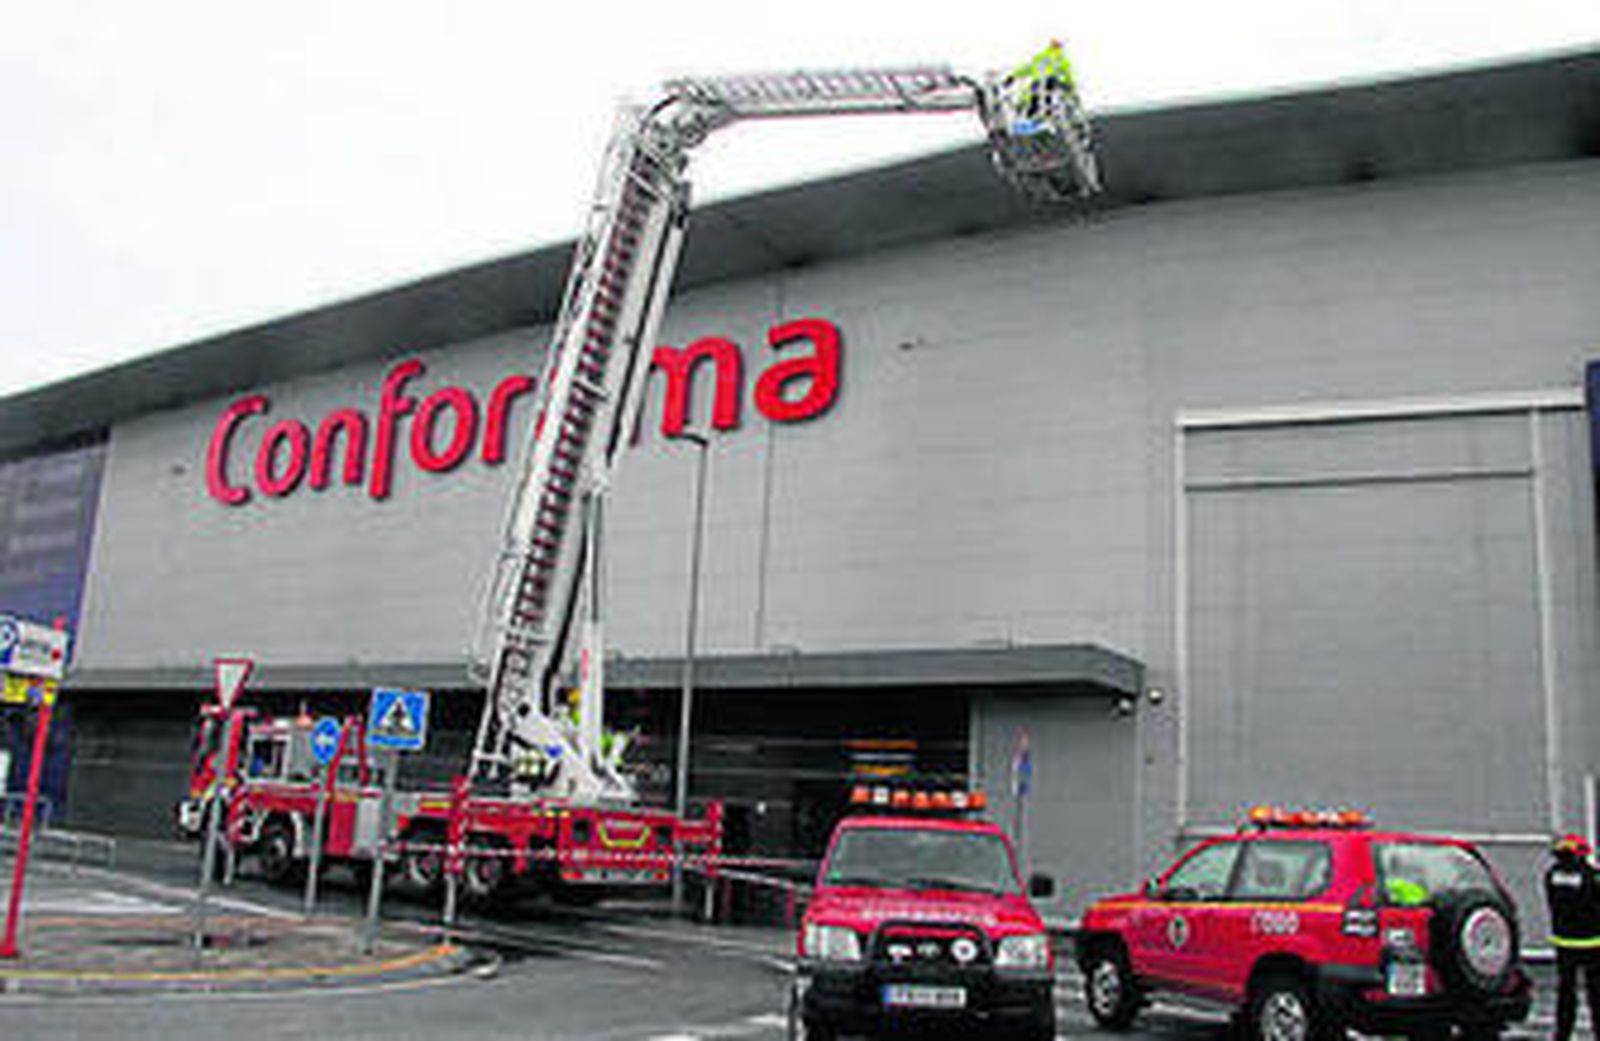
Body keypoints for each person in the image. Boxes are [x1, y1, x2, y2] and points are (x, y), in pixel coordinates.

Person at [1547, 833, 1600, 1041]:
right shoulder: (1592, 877)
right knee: (1596, 994)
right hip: (1592, 944)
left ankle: (1562, 1034)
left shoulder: (1552, 876)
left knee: (1566, 993)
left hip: (1564, 943)